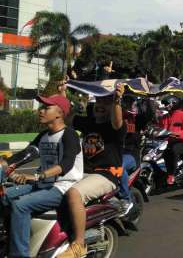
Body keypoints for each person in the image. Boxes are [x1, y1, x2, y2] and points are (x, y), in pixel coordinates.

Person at [0, 95, 82, 258]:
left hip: (62, 187)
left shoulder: (69, 135)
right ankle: (8, 239)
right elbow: (25, 155)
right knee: (4, 196)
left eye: (46, 108)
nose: (40, 110)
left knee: (21, 205)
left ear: (59, 113)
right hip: (43, 184)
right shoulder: (43, 135)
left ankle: (19, 254)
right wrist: (4, 163)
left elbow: (65, 165)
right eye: (41, 107)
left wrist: (38, 176)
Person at [59, 83, 126, 258]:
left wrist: (117, 99)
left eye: (107, 101)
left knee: (74, 194)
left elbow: (117, 121)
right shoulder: (88, 122)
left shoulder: (116, 127)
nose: (101, 105)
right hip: (83, 172)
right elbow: (67, 121)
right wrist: (64, 95)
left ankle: (79, 244)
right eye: (99, 100)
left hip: (106, 175)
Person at [158, 95, 183, 185]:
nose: (166, 106)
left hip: (181, 142)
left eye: (167, 104)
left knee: (171, 151)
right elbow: (159, 129)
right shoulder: (164, 117)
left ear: (174, 103)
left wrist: (178, 134)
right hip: (166, 142)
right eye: (165, 104)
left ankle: (171, 174)